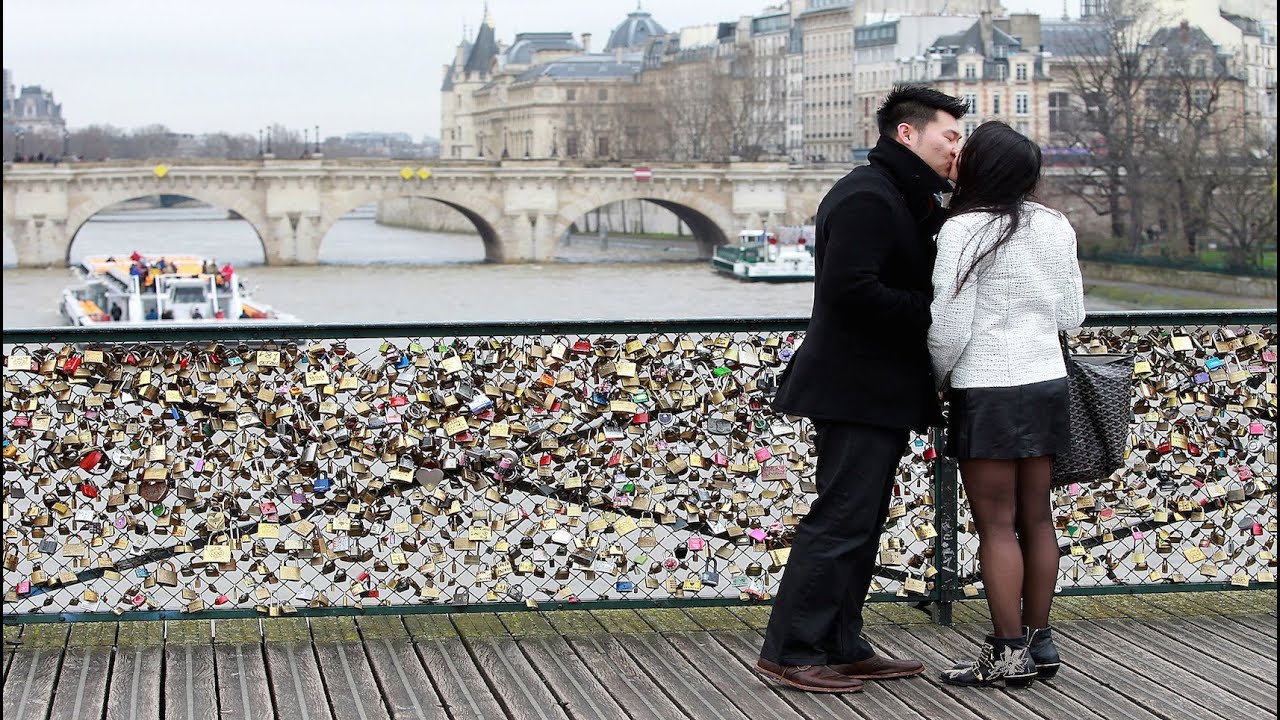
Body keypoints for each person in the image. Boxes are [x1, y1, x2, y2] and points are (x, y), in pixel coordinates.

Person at [755, 84, 968, 694]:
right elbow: (853, 291)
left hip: (876, 388)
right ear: (908, 134)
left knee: (862, 519)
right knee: (841, 518)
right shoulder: (869, 198)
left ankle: (841, 643)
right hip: (855, 387)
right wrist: (936, 308)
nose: (957, 148)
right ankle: (792, 650)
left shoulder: (897, 194)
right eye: (948, 136)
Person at [928, 121, 1085, 687]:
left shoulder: (963, 230)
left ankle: (1007, 650)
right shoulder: (1054, 225)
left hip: (988, 387)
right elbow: (1072, 316)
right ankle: (1041, 642)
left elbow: (947, 326)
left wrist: (938, 378)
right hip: (1046, 381)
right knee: (1037, 518)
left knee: (995, 524)